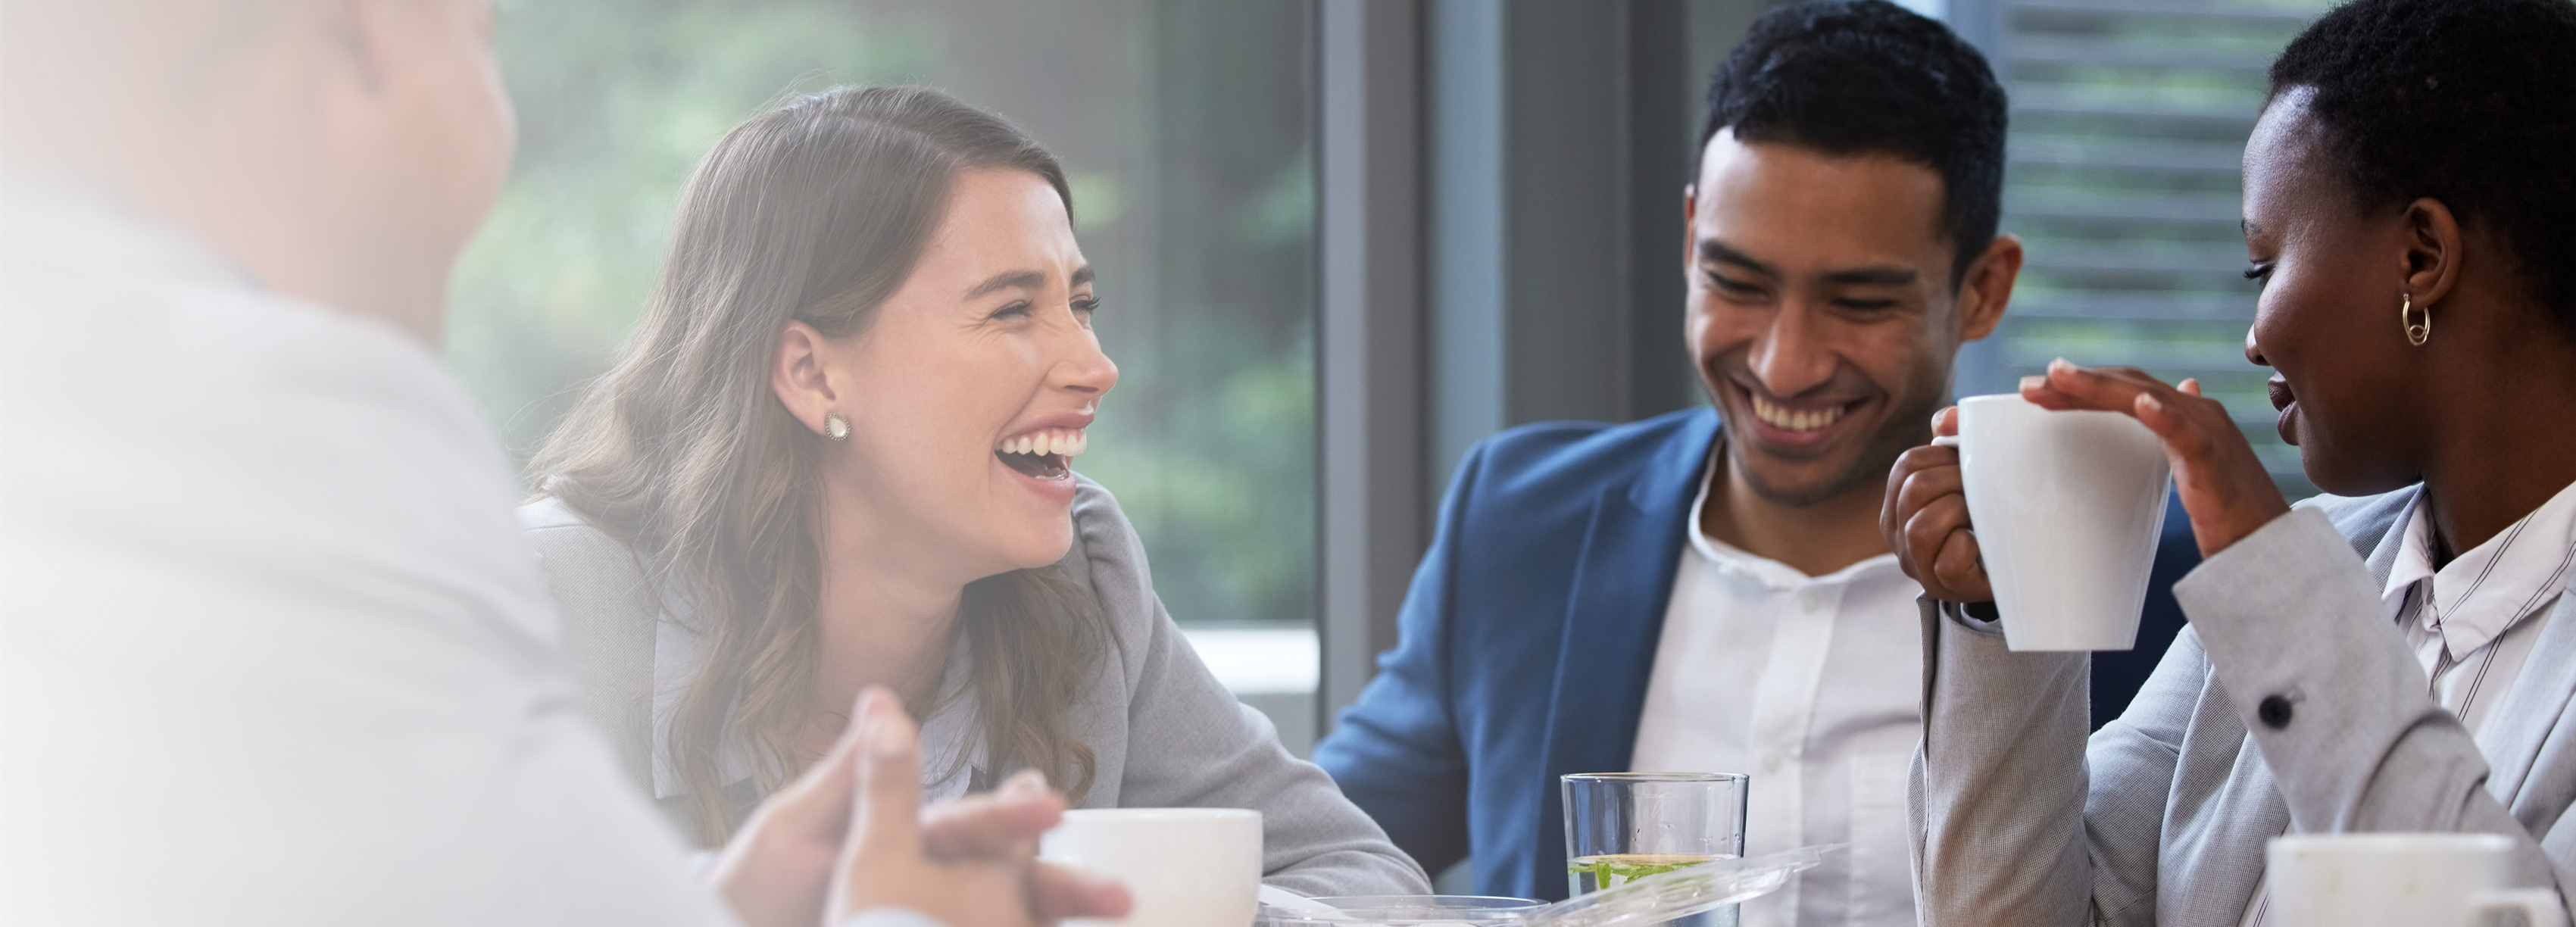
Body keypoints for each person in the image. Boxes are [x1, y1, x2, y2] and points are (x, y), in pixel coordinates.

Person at [0, 2, 1128, 926]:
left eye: (1076, 301)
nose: (1092, 364)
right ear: (363, 38)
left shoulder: (81, 369)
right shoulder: (290, 426)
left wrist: (726, 906)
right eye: (485, 38)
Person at [1311, 2, 2197, 922]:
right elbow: (1314, 853)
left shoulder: (2152, 580)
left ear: (1982, 290)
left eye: (1856, 302)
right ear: (1691, 239)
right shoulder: (1522, 518)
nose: (1784, 364)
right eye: (1737, 282)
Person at [514, 84, 1428, 897]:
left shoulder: (1086, 573)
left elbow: (1363, 880)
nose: (1095, 365)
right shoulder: (541, 602)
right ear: (810, 372)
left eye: (1080, 304)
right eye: (1010, 310)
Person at [1884, 0, 2576, 921]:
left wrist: (2269, 578)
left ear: (2420, 256)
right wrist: (1997, 608)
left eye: (2263, 264)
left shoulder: (2277, 585)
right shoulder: (2303, 569)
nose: (2251, 341)